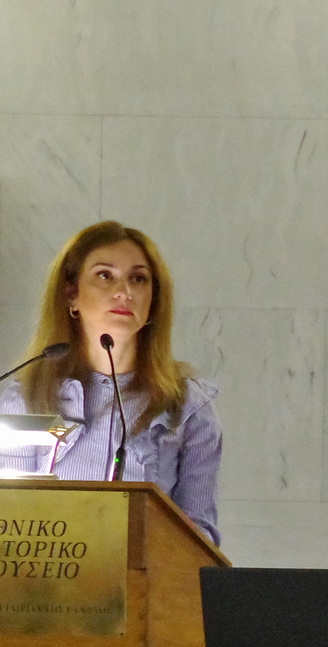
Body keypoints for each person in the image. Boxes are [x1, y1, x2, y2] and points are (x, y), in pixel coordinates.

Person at [1, 222, 223, 543]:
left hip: (147, 573)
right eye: (105, 275)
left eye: (138, 279)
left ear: (153, 302)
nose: (124, 292)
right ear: (71, 294)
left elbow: (200, 538)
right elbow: (9, 521)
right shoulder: (27, 396)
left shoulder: (187, 404)